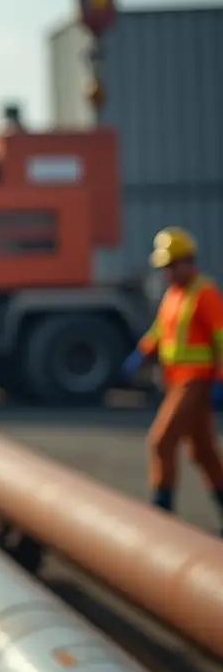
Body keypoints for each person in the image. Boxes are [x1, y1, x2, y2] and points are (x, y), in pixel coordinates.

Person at [123, 227, 223, 530]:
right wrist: (142, 353)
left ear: (187, 262)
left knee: (161, 442)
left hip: (196, 383)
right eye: (164, 267)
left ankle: (162, 516)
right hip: (176, 381)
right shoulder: (174, 295)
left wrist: (220, 380)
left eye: (170, 266)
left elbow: (221, 337)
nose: (166, 273)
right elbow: (159, 330)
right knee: (202, 451)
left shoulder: (203, 293)